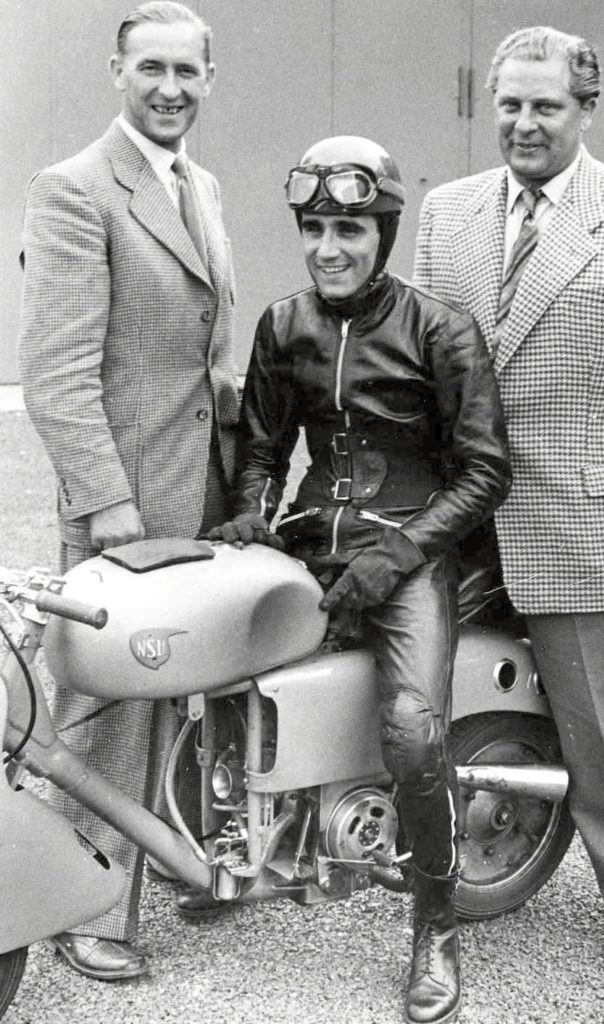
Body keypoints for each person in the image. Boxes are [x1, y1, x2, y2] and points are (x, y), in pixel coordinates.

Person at [413, 25, 604, 976]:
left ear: (587, 109)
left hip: (586, 517)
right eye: (509, 103)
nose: (525, 123)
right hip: (466, 514)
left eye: (547, 105)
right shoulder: (450, 212)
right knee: (417, 688)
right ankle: (443, 861)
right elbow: (421, 364)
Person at [207, 135, 510, 1024]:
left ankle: (437, 924)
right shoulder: (283, 323)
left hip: (409, 554)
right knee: (206, 670)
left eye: (348, 227)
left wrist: (399, 552)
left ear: (382, 231)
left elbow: (485, 471)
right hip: (308, 545)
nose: (328, 247)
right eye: (313, 228)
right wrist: (253, 513)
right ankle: (224, 859)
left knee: (414, 730)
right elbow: (260, 446)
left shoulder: (440, 328)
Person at [18, 1, 239, 980]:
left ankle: (170, 858)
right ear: (116, 71)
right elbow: (56, 373)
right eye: (150, 68)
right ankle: (84, 907)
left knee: (179, 690)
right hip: (124, 504)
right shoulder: (74, 189)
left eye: (187, 72)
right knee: (103, 705)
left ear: (209, 78)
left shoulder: (204, 186)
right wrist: (107, 506)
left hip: (198, 490)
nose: (169, 89)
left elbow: (197, 355)